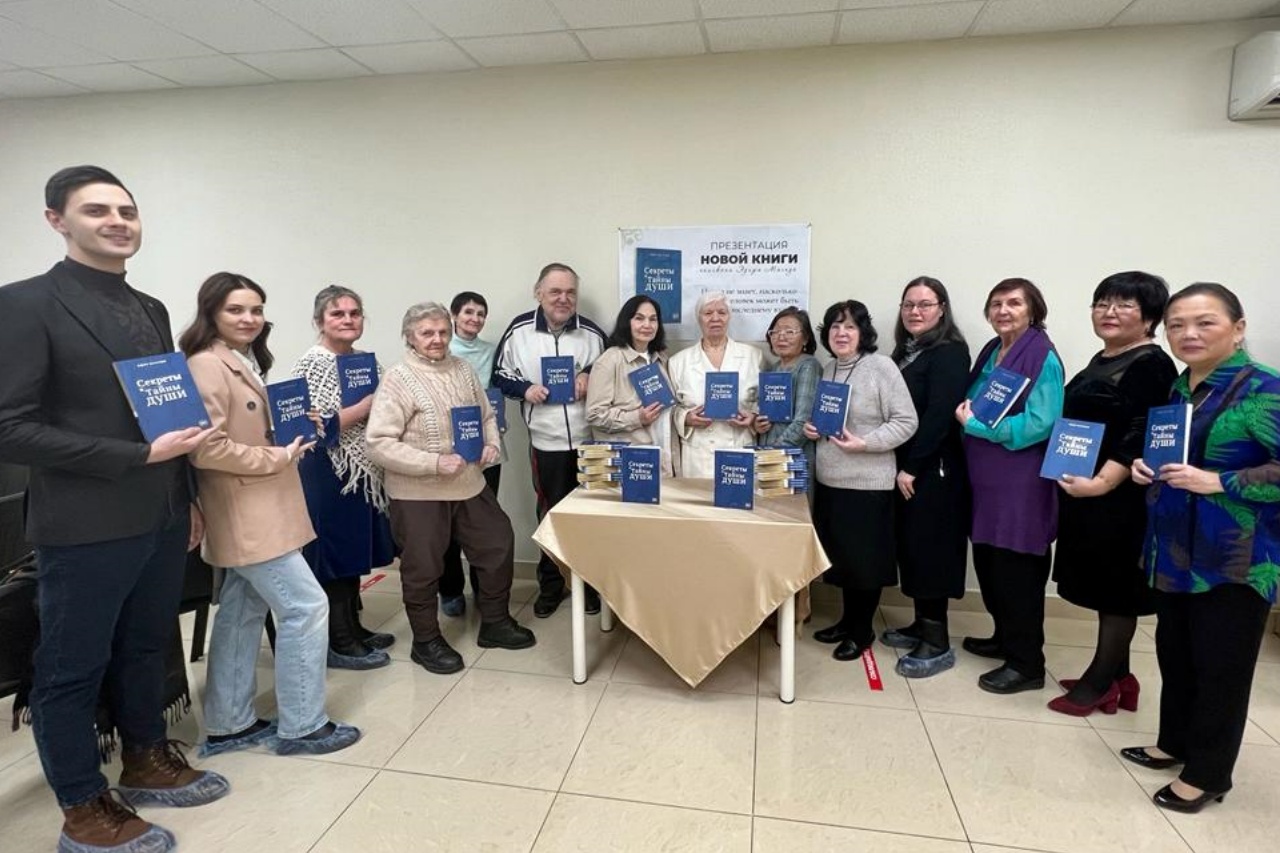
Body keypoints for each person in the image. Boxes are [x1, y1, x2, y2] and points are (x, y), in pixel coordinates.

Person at [0, 166, 227, 853]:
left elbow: (168, 416)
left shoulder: (152, 308)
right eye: (97, 209)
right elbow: (10, 427)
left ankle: (144, 755)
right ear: (56, 220)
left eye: (126, 209)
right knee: (72, 664)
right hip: (85, 523)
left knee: (144, 645)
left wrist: (184, 495)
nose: (118, 220)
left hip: (159, 514)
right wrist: (136, 458)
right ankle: (81, 801)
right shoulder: (24, 303)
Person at [182, 272, 361, 759]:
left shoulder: (241, 360)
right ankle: (303, 726)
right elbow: (206, 448)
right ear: (212, 313)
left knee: (241, 613)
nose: (249, 319)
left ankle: (228, 723)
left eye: (256, 309)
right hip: (247, 510)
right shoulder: (204, 365)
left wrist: (299, 427)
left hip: (265, 506)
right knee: (305, 607)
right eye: (236, 310)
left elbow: (252, 426)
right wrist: (275, 458)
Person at [1123, 282, 1279, 813]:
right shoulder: (1179, 387)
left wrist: (1221, 482)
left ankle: (1209, 773)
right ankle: (1174, 743)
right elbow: (1169, 452)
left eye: (1204, 322)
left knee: (1222, 668)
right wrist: (1146, 466)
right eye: (1176, 325)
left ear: (1237, 328)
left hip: (1237, 558)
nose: (1188, 334)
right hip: (1175, 552)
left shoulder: (1265, 389)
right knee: (1177, 654)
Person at [367, 302, 536, 674]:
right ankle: (426, 641)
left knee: (497, 542)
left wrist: (490, 443)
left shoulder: (462, 369)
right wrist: (432, 462)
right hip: (418, 493)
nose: (437, 339)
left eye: (442, 331)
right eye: (427, 333)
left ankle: (494, 622)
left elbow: (486, 415)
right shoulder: (398, 378)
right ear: (410, 337)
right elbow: (378, 443)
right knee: (423, 566)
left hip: (468, 484)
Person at [1049, 272, 1176, 716]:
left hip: (1118, 496)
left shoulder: (1152, 364)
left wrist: (1103, 482)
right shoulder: (1103, 358)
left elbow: (1141, 432)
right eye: (1102, 302)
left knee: (1117, 589)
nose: (1109, 312)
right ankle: (1121, 679)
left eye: (1124, 304)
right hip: (1085, 492)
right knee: (1102, 585)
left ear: (1150, 318)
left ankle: (1099, 682)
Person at [956, 278, 1064, 695]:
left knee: (1018, 571)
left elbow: (1041, 423)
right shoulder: (992, 349)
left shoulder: (1041, 356)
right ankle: (1004, 637)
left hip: (1020, 482)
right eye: (996, 303)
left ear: (1033, 309)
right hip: (987, 481)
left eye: (1014, 303)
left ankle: (1027, 664)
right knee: (990, 564)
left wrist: (979, 427)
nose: (1004, 310)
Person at [804, 301, 918, 662]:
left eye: (850, 327)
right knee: (843, 560)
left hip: (867, 483)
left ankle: (861, 630)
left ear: (863, 333)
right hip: (831, 481)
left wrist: (865, 443)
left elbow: (906, 421)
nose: (841, 333)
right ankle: (846, 620)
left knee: (864, 563)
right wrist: (812, 429)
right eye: (836, 326)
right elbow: (826, 421)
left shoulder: (880, 367)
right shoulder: (828, 369)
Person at [291, 285, 397, 670]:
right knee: (333, 554)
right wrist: (368, 406)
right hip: (328, 470)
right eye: (338, 314)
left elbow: (390, 403)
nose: (348, 320)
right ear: (320, 321)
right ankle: (337, 640)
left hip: (361, 469)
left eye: (355, 313)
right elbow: (315, 427)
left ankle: (354, 626)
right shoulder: (312, 364)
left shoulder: (365, 360)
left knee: (353, 551)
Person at [492, 263, 606, 618]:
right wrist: (526, 389)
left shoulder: (592, 333)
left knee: (589, 517)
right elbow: (499, 376)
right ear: (538, 293)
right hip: (546, 442)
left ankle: (586, 584)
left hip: (589, 442)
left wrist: (590, 375)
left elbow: (612, 367)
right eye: (555, 291)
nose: (563, 298)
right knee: (551, 514)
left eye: (570, 292)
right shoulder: (519, 331)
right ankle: (552, 584)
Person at [882, 277, 972, 679]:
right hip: (907, 467)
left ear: (942, 308)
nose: (915, 312)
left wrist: (912, 467)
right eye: (908, 305)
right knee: (914, 547)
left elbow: (939, 416)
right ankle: (921, 624)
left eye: (924, 304)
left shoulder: (950, 352)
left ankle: (936, 643)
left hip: (932, 471)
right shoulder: (906, 352)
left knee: (932, 550)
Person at [439, 291, 504, 617]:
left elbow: (499, 393)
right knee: (448, 526)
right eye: (468, 312)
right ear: (453, 315)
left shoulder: (493, 352)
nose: (474, 319)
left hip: (486, 449)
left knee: (483, 525)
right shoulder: (440, 349)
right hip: (448, 450)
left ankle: (484, 588)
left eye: (481, 313)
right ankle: (450, 589)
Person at [669, 292, 763, 478]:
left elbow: (764, 404)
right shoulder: (678, 362)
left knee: (737, 505)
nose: (715, 318)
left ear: (729, 317)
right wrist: (686, 418)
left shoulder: (753, 356)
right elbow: (669, 409)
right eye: (708, 313)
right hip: (698, 456)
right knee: (698, 506)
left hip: (739, 448)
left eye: (722, 312)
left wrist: (753, 417)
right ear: (699, 318)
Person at [585, 295, 678, 475]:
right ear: (626, 322)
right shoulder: (609, 361)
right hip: (629, 462)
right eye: (639, 318)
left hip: (662, 458)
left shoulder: (661, 359)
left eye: (653, 319)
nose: (647, 325)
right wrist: (637, 418)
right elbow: (595, 415)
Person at [752, 306, 822, 486]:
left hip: (793, 457)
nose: (781, 336)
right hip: (768, 457)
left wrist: (771, 453)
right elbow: (767, 414)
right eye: (775, 331)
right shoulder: (773, 369)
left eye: (789, 331)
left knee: (791, 512)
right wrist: (758, 425)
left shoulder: (808, 366)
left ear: (805, 338)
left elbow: (803, 421)